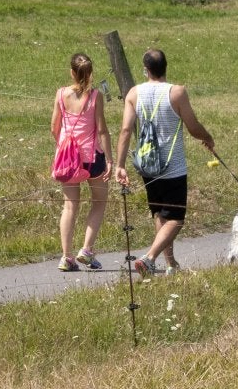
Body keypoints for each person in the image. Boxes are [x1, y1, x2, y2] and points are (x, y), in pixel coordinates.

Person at [116, 48, 214, 276]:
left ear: (146, 70)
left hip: (148, 165)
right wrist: (207, 138)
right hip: (173, 167)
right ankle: (149, 258)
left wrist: (120, 165)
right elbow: (193, 126)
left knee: (160, 214)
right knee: (176, 218)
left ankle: (170, 264)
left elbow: (125, 130)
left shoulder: (133, 93)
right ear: (165, 67)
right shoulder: (176, 93)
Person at [51, 52, 112, 271]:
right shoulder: (95, 96)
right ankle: (86, 250)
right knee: (99, 201)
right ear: (91, 73)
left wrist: (63, 147)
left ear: (71, 73)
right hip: (92, 158)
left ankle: (66, 257)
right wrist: (111, 160)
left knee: (70, 206)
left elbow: (54, 127)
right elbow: (102, 130)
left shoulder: (60, 95)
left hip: (68, 159)